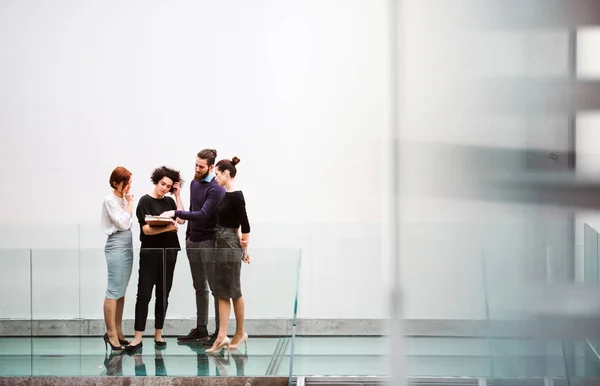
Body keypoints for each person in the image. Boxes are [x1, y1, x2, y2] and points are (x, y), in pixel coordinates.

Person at [160, 149, 228, 346]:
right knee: (199, 287)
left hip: (208, 241)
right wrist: (188, 234)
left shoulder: (216, 188)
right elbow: (192, 211)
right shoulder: (193, 183)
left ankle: (219, 333)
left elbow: (203, 214)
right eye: (195, 165)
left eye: (201, 166)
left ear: (211, 167)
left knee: (215, 289)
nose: (197, 169)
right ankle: (201, 329)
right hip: (193, 240)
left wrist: (175, 211)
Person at [125, 166, 185, 352]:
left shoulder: (169, 200)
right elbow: (146, 230)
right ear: (156, 181)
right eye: (162, 184)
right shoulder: (145, 201)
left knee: (163, 294)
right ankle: (137, 338)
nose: (164, 188)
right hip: (150, 253)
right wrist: (168, 227)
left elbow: (182, 219)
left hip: (170, 253)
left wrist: (177, 195)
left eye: (168, 186)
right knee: (143, 294)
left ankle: (159, 335)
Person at [205, 157, 251, 355]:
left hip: (229, 242)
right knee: (222, 290)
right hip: (221, 241)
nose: (215, 178)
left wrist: (244, 250)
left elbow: (245, 225)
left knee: (233, 289)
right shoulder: (225, 194)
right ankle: (222, 336)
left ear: (226, 173)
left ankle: (240, 332)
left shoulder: (236, 196)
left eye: (217, 174)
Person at [100, 166, 134, 352]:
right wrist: (129, 205)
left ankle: (119, 332)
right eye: (126, 182)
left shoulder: (123, 199)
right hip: (116, 245)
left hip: (127, 244)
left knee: (121, 290)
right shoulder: (110, 200)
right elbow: (122, 223)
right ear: (116, 183)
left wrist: (127, 206)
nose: (129, 186)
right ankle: (110, 333)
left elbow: (128, 223)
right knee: (114, 289)